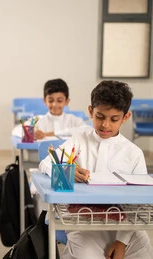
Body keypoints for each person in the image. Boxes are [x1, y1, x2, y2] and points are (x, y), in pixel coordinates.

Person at [39, 80, 153, 259]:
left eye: (114, 119)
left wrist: (122, 242)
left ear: (125, 117)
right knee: (85, 254)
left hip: (124, 226)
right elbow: (45, 163)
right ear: (91, 111)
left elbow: (139, 205)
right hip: (82, 221)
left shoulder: (133, 153)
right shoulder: (79, 139)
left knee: (144, 251)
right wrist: (65, 169)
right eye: (100, 117)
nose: (105, 125)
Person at [12, 78, 89, 139]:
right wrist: (32, 133)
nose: (55, 104)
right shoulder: (38, 120)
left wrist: (50, 134)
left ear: (67, 101)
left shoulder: (73, 120)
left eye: (59, 101)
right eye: (51, 100)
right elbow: (16, 130)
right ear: (45, 101)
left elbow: (87, 130)